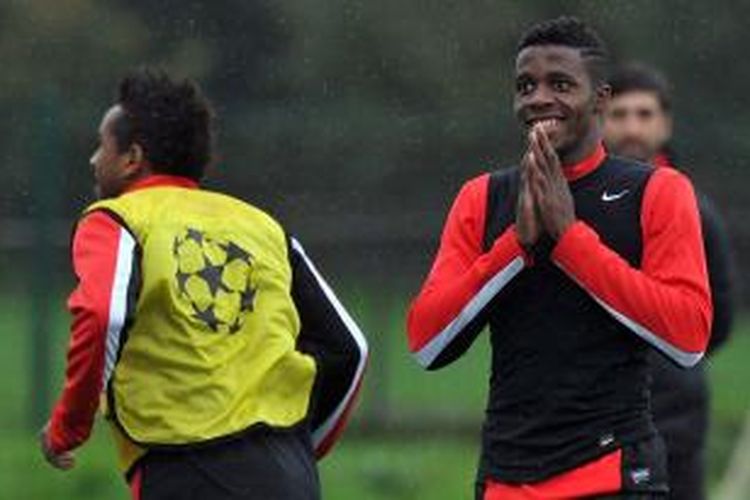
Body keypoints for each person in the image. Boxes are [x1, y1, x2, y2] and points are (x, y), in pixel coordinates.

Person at [406, 17, 712, 499]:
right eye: (525, 86)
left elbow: (689, 336)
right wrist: (517, 246)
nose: (539, 98)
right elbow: (425, 341)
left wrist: (570, 239)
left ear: (600, 99)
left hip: (614, 473)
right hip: (505, 478)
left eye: (561, 84)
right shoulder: (482, 197)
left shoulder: (658, 190)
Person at [39, 69, 368, 500]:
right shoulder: (262, 226)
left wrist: (68, 426)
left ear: (132, 158)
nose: (93, 159)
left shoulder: (118, 219)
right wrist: (298, 447)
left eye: (101, 146)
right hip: (289, 472)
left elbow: (103, 315)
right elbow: (350, 348)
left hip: (186, 469)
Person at [603, 63, 735, 500]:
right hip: (591, 425)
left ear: (665, 123)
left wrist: (666, 359)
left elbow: (718, 317)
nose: (632, 128)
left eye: (644, 114)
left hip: (674, 425)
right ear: (600, 120)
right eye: (619, 114)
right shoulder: (571, 211)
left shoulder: (698, 213)